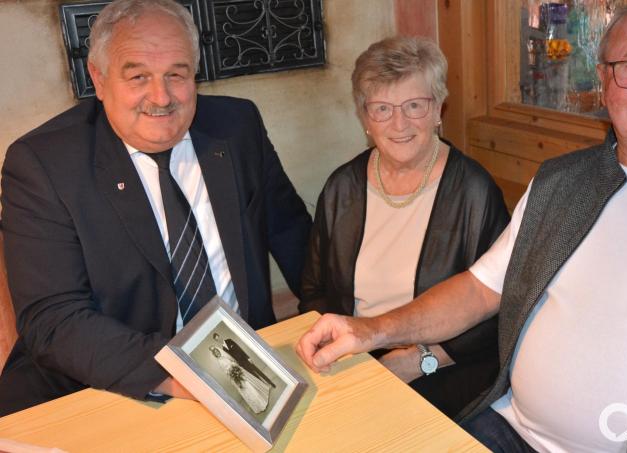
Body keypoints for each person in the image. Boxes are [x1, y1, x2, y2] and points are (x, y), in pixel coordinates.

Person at [297, 1, 627, 451]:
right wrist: (371, 330)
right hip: (507, 430)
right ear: (604, 81)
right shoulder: (559, 181)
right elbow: (478, 290)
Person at [0, 0, 311, 416]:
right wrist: (188, 374)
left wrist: (335, 320)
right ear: (99, 76)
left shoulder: (237, 127)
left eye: (177, 75)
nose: (161, 97)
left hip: (247, 371)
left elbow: (294, 235)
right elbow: (54, 321)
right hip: (111, 387)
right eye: (139, 76)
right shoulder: (43, 165)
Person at [298, 36, 509, 417]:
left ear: (438, 110)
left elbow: (498, 310)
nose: (399, 124)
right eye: (382, 108)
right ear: (365, 117)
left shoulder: (475, 192)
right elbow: (314, 291)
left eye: (414, 105)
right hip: (355, 363)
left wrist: (413, 361)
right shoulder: (342, 186)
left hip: (442, 372)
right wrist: (342, 355)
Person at [210, 346, 272, 414]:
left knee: (249, 385)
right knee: (246, 389)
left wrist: (235, 366)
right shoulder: (220, 362)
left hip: (238, 372)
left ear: (219, 351)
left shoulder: (224, 357)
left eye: (217, 351)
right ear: (215, 355)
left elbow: (232, 363)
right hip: (235, 376)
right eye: (215, 353)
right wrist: (233, 370)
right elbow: (226, 371)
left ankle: (260, 400)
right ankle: (259, 405)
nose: (217, 353)